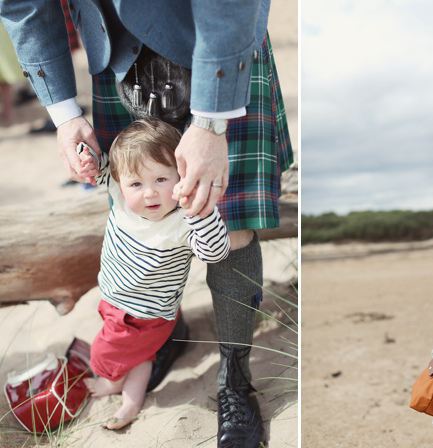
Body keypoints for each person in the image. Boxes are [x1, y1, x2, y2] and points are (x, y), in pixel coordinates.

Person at [0, 2, 293, 446]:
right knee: (134, 186)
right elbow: (24, 5)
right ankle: (164, 334)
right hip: (114, 56)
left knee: (231, 223)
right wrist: (64, 114)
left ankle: (234, 379)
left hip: (217, 46)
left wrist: (211, 124)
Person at [78, 119, 230, 430]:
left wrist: (200, 212)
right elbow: (103, 169)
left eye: (161, 179)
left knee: (103, 354)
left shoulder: (182, 222)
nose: (149, 194)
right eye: (136, 184)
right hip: (115, 300)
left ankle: (111, 382)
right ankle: (132, 402)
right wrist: (87, 158)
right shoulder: (120, 196)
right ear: (122, 184)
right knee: (140, 357)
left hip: (143, 316)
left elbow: (216, 251)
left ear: (181, 177)